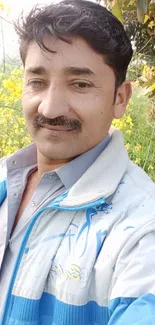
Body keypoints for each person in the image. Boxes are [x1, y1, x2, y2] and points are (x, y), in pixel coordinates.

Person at [0, 0, 155, 324]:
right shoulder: (4, 179)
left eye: (80, 84)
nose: (50, 109)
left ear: (120, 98)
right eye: (37, 82)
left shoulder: (141, 229)